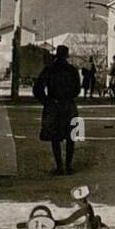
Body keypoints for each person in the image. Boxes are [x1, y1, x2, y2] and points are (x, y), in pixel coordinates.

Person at [33, 45, 81, 175]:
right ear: (67, 55)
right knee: (71, 137)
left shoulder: (49, 69)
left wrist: (46, 101)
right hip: (69, 106)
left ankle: (59, 167)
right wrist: (69, 97)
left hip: (53, 106)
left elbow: (37, 88)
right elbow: (78, 89)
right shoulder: (72, 70)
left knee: (55, 137)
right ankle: (69, 166)